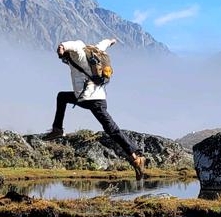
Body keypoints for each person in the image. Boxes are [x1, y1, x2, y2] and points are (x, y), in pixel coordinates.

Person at [44, 38, 146, 178]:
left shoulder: (78, 53)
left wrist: (61, 49)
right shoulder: (93, 51)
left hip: (92, 100)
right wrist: (111, 40)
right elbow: (103, 44)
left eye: (65, 59)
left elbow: (71, 45)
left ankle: (136, 157)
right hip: (90, 97)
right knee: (62, 96)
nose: (65, 62)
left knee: (112, 129)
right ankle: (57, 129)